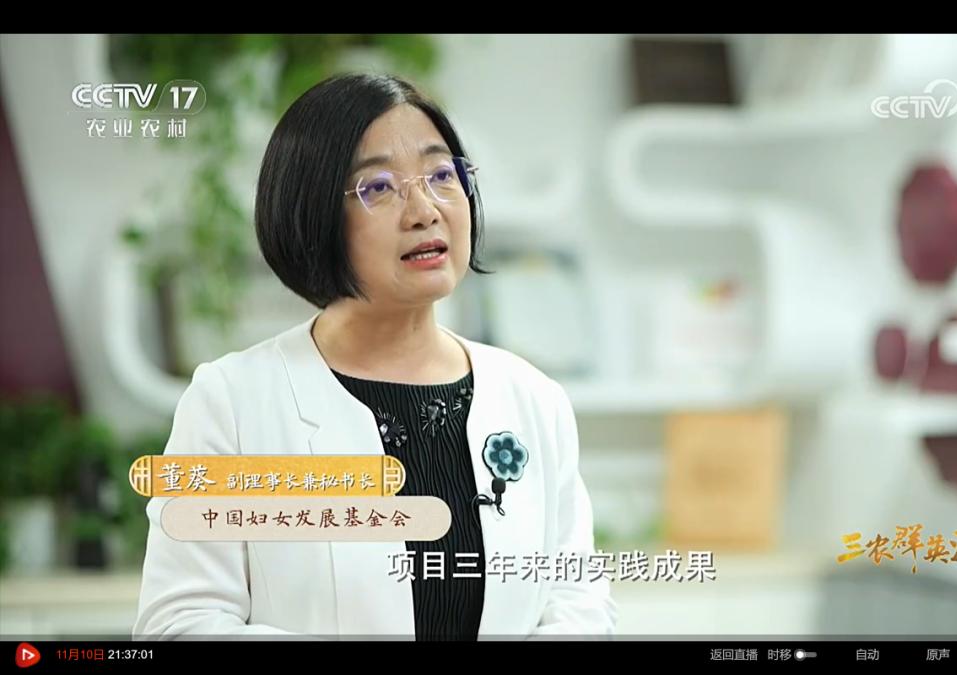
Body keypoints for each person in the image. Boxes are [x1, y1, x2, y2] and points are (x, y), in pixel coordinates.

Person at [132, 73, 616, 640]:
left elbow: (579, 603)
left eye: (442, 175)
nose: (424, 210)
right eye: (379, 187)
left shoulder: (532, 397)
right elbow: (180, 624)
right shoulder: (233, 402)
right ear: (313, 213)